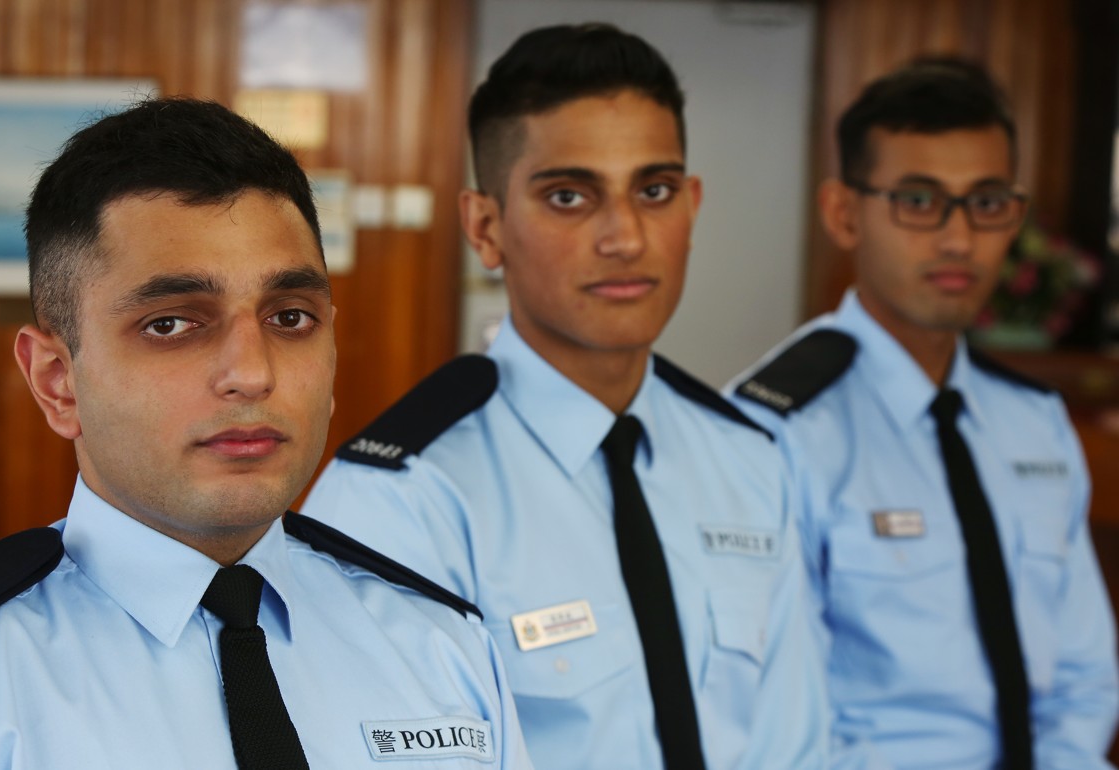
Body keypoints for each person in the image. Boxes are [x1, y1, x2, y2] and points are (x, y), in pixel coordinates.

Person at [0, 97, 532, 769]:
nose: (252, 373)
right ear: (58, 381)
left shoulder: (443, 647)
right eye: (171, 323)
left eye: (289, 318)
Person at [303, 23, 829, 769]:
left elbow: (796, 744)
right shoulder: (401, 502)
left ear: (693, 206)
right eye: (569, 195)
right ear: (486, 228)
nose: (624, 236)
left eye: (654, 190)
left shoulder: (748, 458)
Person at [729, 58, 1119, 768]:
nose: (958, 238)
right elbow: (773, 722)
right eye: (918, 200)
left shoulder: (1034, 421)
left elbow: (1083, 677)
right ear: (844, 214)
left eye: (988, 201)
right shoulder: (773, 431)